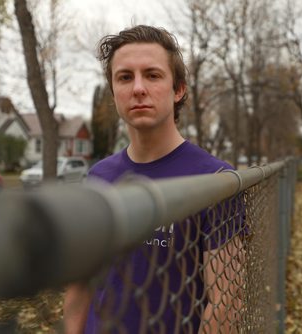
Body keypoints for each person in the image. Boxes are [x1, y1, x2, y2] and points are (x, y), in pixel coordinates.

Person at [63, 25, 244, 333]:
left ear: (179, 90)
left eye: (152, 75)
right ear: (114, 92)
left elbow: (226, 301)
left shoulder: (216, 180)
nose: (138, 88)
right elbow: (80, 286)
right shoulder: (98, 177)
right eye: (125, 77)